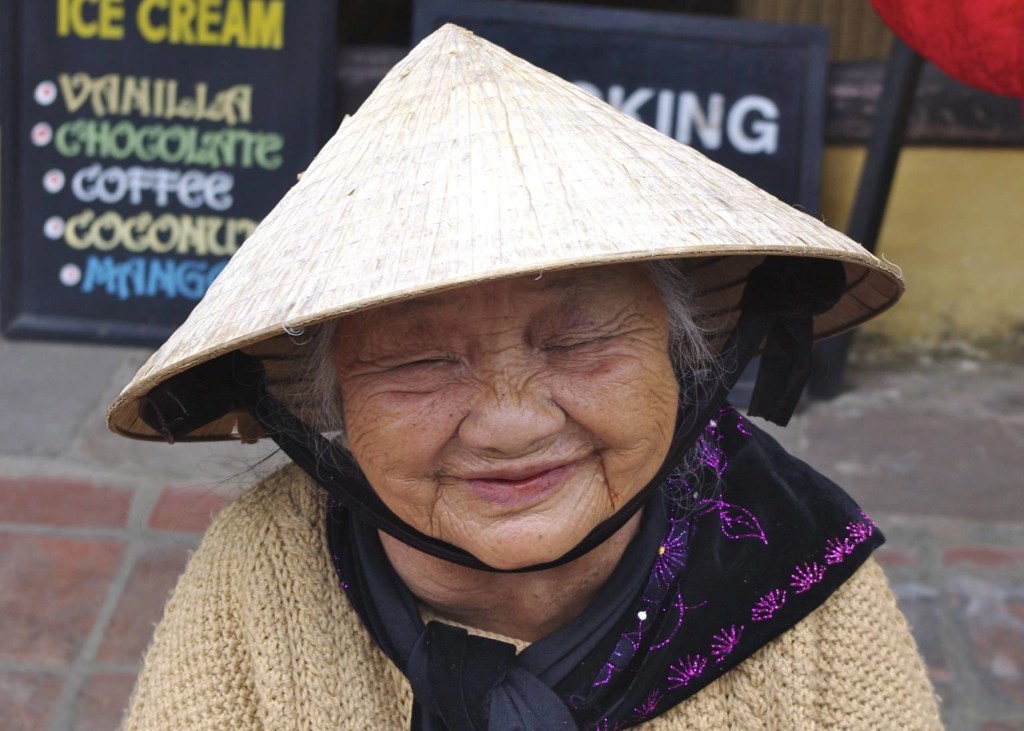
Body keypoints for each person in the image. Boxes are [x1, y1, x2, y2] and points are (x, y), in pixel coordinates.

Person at [109, 24, 942, 730]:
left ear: (681, 351)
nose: (511, 424)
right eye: (419, 361)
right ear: (330, 402)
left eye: (579, 340)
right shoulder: (260, 573)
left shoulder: (801, 575)